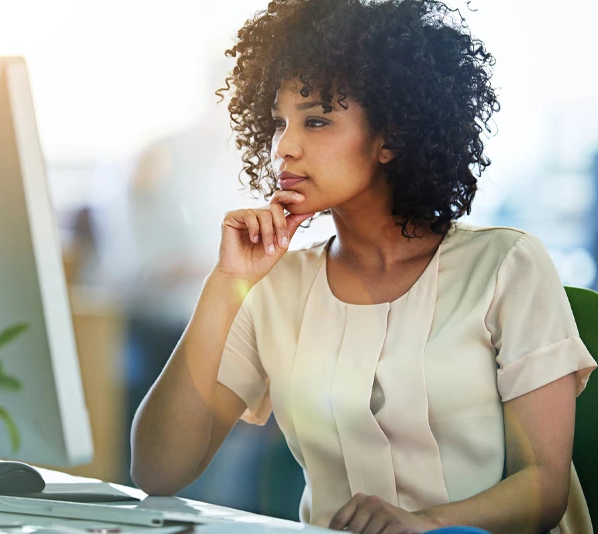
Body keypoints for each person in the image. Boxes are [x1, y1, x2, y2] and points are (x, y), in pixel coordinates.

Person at [129, 1, 597, 533]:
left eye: (317, 120)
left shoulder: (505, 265)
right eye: (280, 123)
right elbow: (158, 470)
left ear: (391, 137)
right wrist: (226, 282)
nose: (285, 146)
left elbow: (544, 487)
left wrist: (425, 524)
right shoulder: (274, 287)